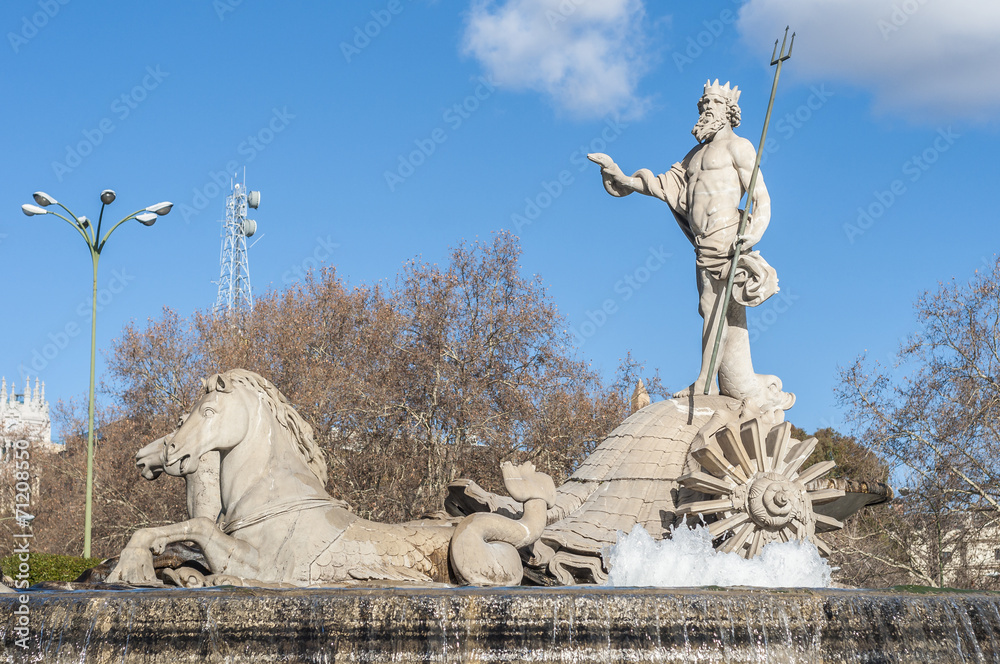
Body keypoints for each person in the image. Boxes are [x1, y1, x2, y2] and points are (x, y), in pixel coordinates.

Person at [590, 79, 790, 409]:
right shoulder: (693, 156)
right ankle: (711, 379)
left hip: (729, 239)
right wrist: (620, 175)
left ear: (728, 112)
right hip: (703, 243)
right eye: (702, 104)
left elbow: (762, 198)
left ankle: (706, 380)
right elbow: (662, 185)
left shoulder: (738, 147)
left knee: (715, 311)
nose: (704, 108)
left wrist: (752, 233)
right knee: (709, 310)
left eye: (711, 103)